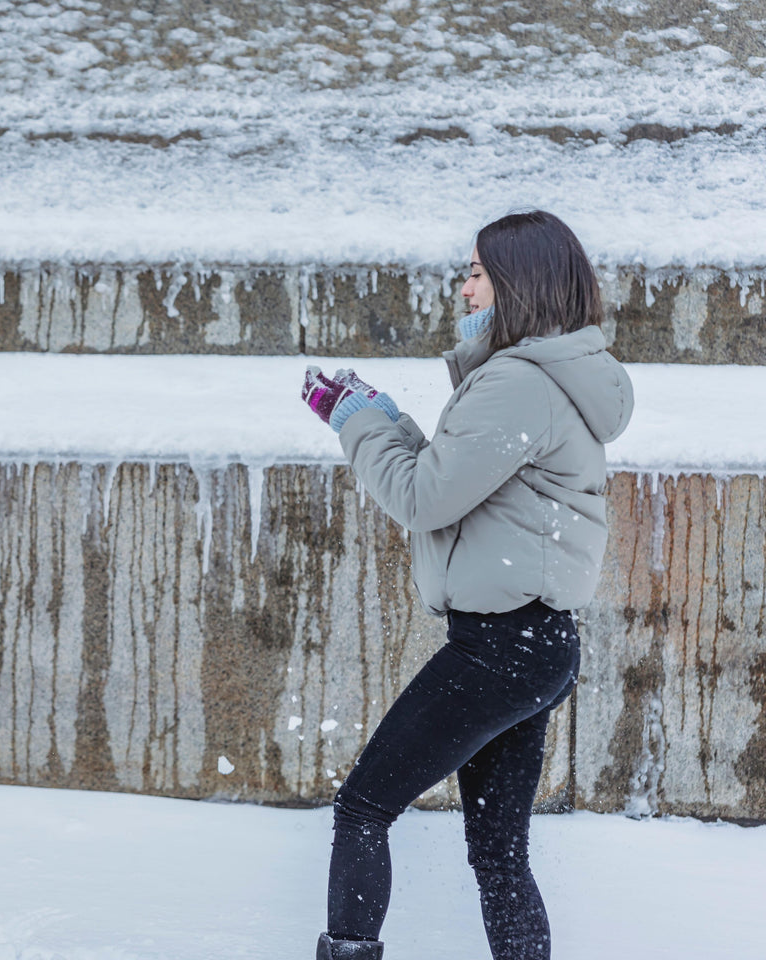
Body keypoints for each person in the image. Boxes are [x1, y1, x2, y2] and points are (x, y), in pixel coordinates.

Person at [301, 210, 633, 960]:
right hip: (537, 643)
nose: (465, 285)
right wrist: (382, 416)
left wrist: (356, 422)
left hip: (500, 648)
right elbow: (451, 476)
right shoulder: (549, 376)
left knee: (363, 808)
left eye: (478, 271)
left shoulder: (517, 382)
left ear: (520, 281)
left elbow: (420, 499)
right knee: (497, 852)